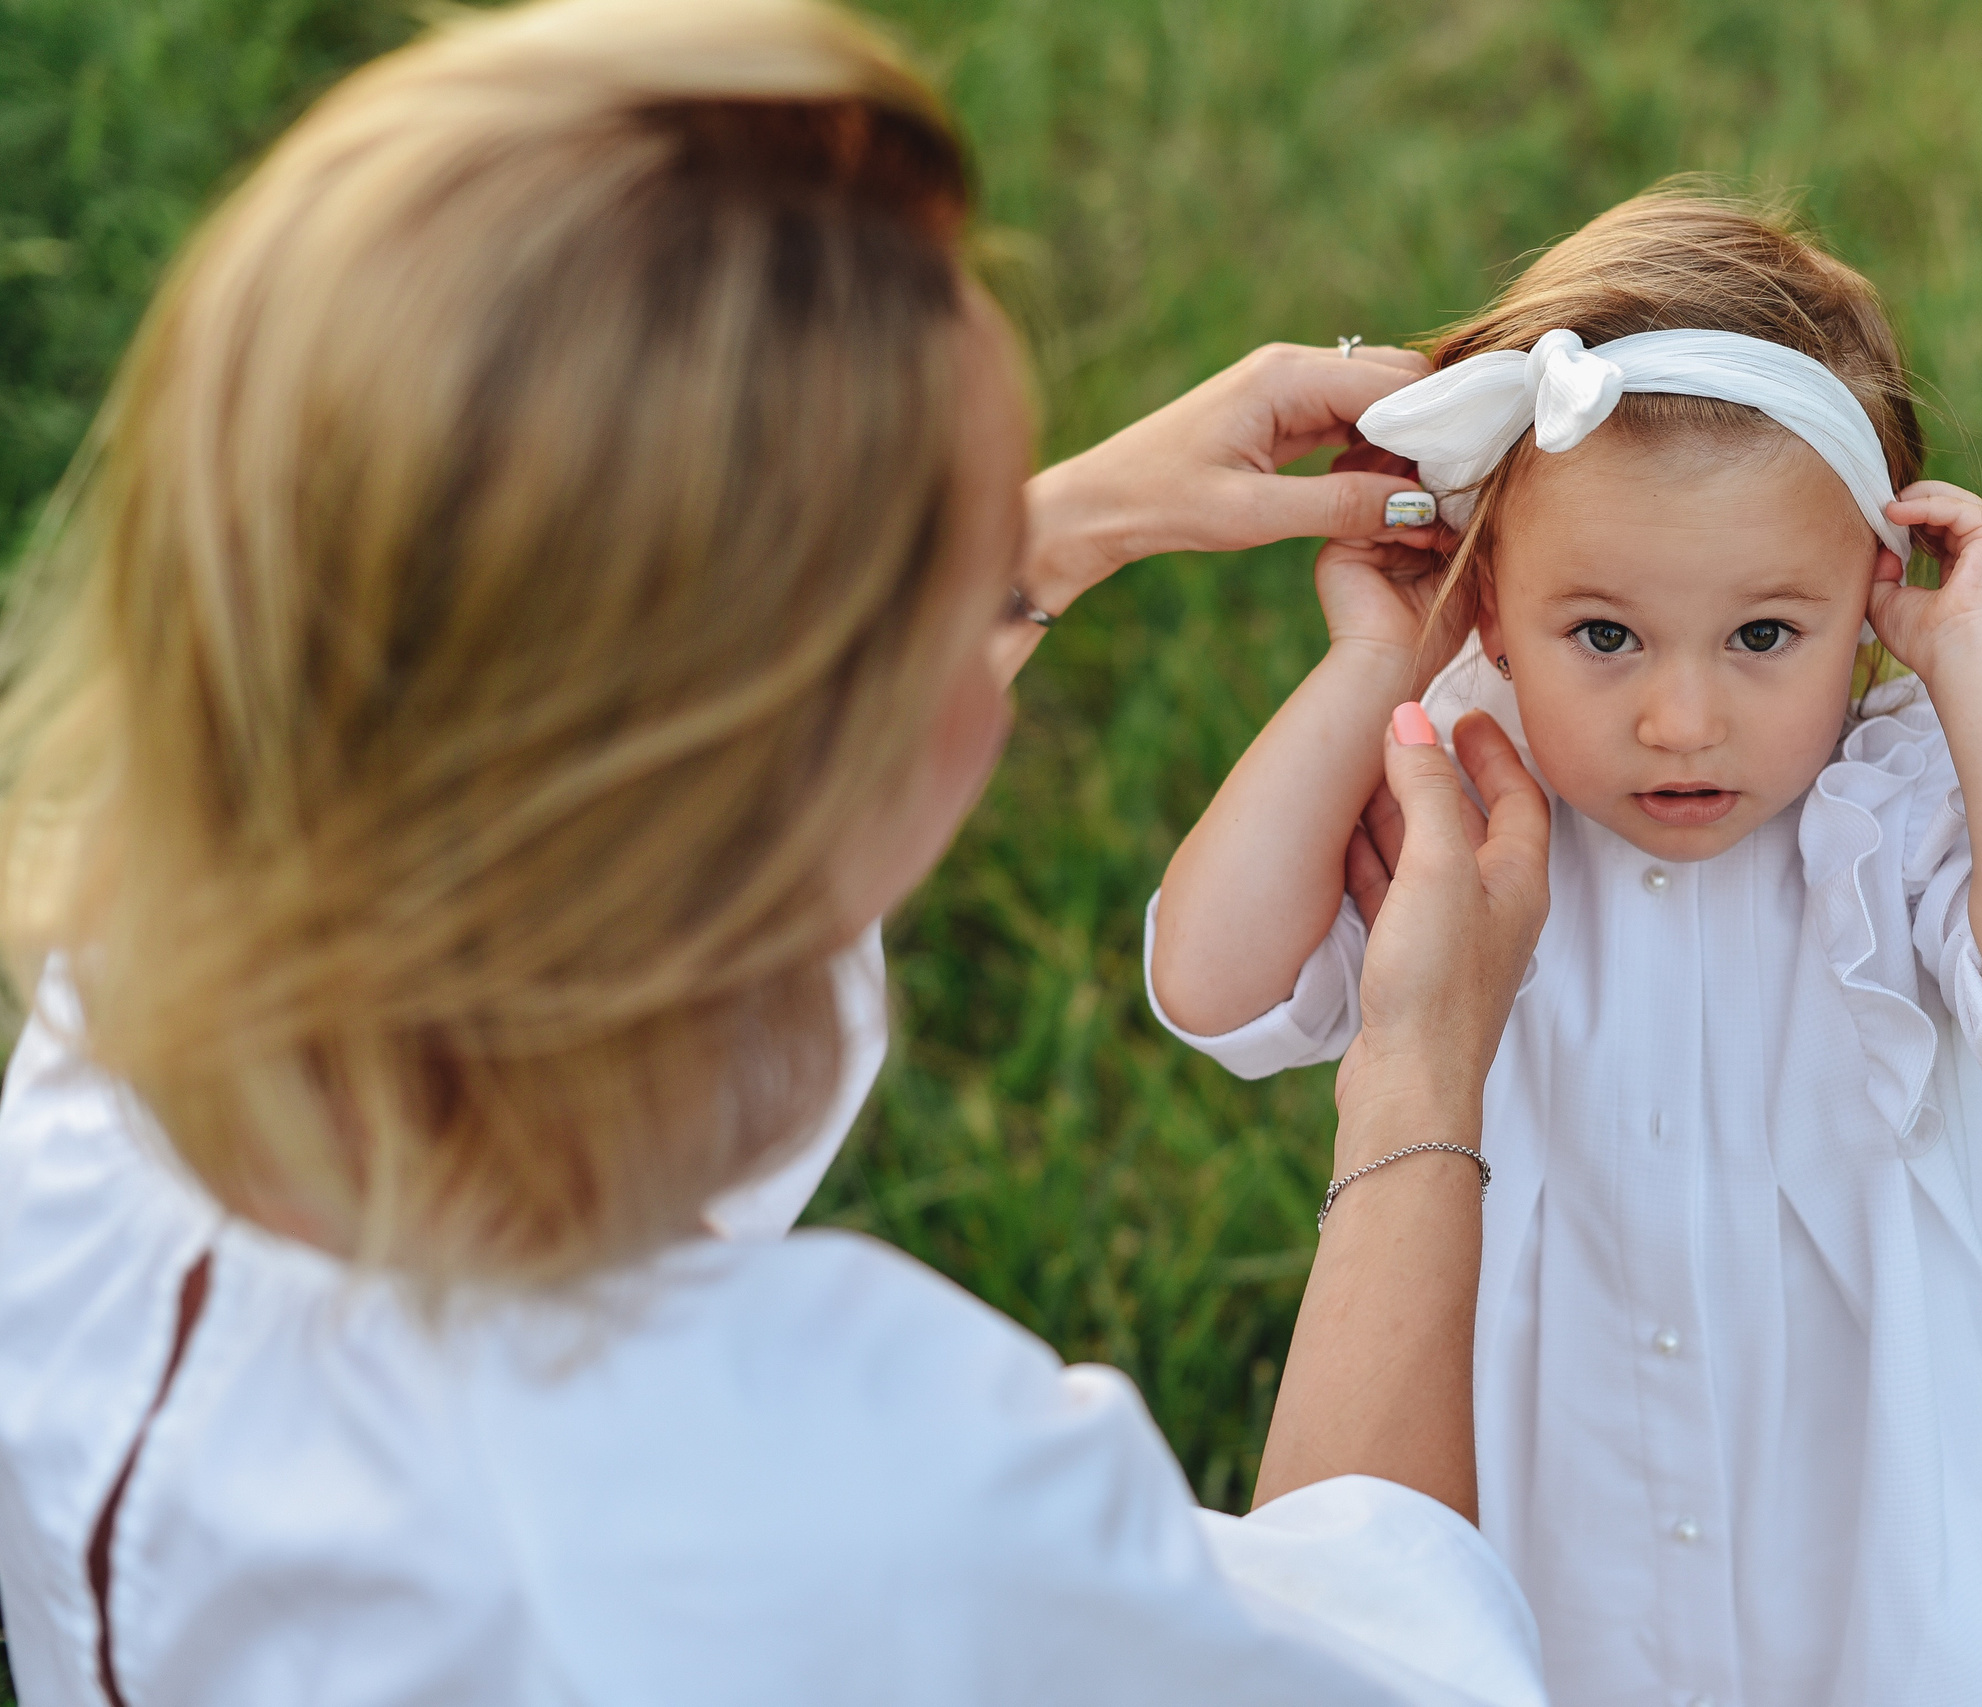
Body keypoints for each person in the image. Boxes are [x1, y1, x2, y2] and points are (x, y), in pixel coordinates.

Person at [0, 2, 1557, 1702]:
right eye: (965, 602)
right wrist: (1418, 1079)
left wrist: (1056, 528)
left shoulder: (118, 1058)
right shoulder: (862, 1519)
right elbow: (1404, 1667)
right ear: (790, 770)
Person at [1146, 188, 1982, 1707]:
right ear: (1489, 605)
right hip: (1552, 1441)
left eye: (1766, 636)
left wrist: (1981, 664)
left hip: (1850, 1467)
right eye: (1606, 636)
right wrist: (1375, 661)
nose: (1680, 721)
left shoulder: (1912, 798)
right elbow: (1211, 983)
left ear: (1872, 601)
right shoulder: (1459, 798)